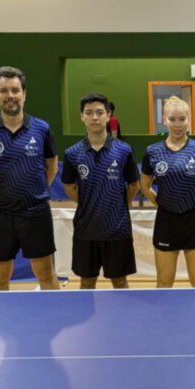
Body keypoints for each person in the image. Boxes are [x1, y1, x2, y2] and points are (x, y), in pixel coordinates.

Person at [0, 66, 60, 291]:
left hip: (36, 213)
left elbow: (51, 165)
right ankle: (0, 321)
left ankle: (55, 316)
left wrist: (36, 190)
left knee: (45, 272)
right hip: (0, 214)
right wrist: (4, 192)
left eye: (15, 90)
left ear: (24, 94)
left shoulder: (42, 129)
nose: (10, 96)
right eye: (4, 91)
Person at [140, 96, 195, 287]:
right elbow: (144, 185)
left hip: (194, 222)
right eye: (172, 119)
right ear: (165, 120)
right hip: (166, 222)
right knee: (164, 282)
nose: (177, 124)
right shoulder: (153, 151)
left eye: (182, 119)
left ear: (188, 120)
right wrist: (159, 203)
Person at [62, 93, 140, 289]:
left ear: (108, 115)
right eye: (89, 113)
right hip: (85, 231)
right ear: (82, 116)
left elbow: (134, 185)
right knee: (86, 282)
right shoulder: (72, 153)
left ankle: (123, 319)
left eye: (99, 112)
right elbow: (69, 186)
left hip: (117, 230)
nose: (94, 117)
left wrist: (120, 205)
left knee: (120, 281)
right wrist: (89, 202)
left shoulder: (124, 150)